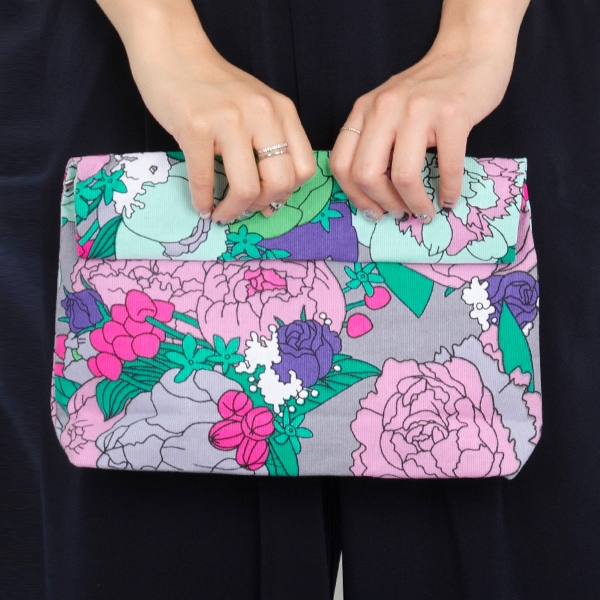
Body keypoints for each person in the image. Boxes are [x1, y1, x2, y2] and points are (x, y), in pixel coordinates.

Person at [32, 0, 600, 598]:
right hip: (147, 69)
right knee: (150, 547)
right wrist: (161, 37)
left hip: (480, 76)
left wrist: (478, 38)